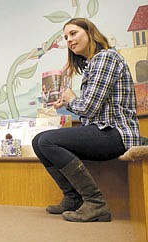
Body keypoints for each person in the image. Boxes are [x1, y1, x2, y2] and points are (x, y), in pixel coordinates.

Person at [32, 18, 140, 223]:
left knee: (46, 141)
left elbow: (88, 109)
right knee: (38, 142)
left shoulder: (106, 58)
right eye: (66, 37)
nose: (69, 40)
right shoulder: (93, 64)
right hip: (103, 131)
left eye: (73, 33)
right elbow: (89, 112)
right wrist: (67, 102)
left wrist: (71, 100)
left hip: (117, 133)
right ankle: (73, 198)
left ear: (90, 32)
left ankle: (95, 202)